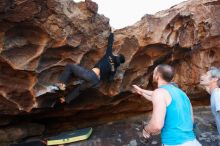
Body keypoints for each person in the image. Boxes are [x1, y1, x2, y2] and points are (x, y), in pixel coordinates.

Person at [133, 64, 201, 146]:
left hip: (174, 143)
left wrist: (146, 129)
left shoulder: (160, 93)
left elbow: (157, 125)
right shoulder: (182, 94)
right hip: (193, 142)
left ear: (157, 75)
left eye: (154, 73)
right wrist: (141, 91)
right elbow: (191, 121)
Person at [50, 32, 125, 103]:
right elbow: (110, 80)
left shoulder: (110, 55)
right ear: (120, 62)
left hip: (91, 75)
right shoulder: (114, 69)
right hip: (95, 82)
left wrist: (111, 33)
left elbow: (110, 44)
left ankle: (62, 84)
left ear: (118, 56)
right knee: (79, 90)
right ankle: (66, 99)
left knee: (70, 66)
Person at [200, 67, 220, 135]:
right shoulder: (215, 93)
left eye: (206, 74)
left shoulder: (217, 93)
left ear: (215, 79)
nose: (202, 76)